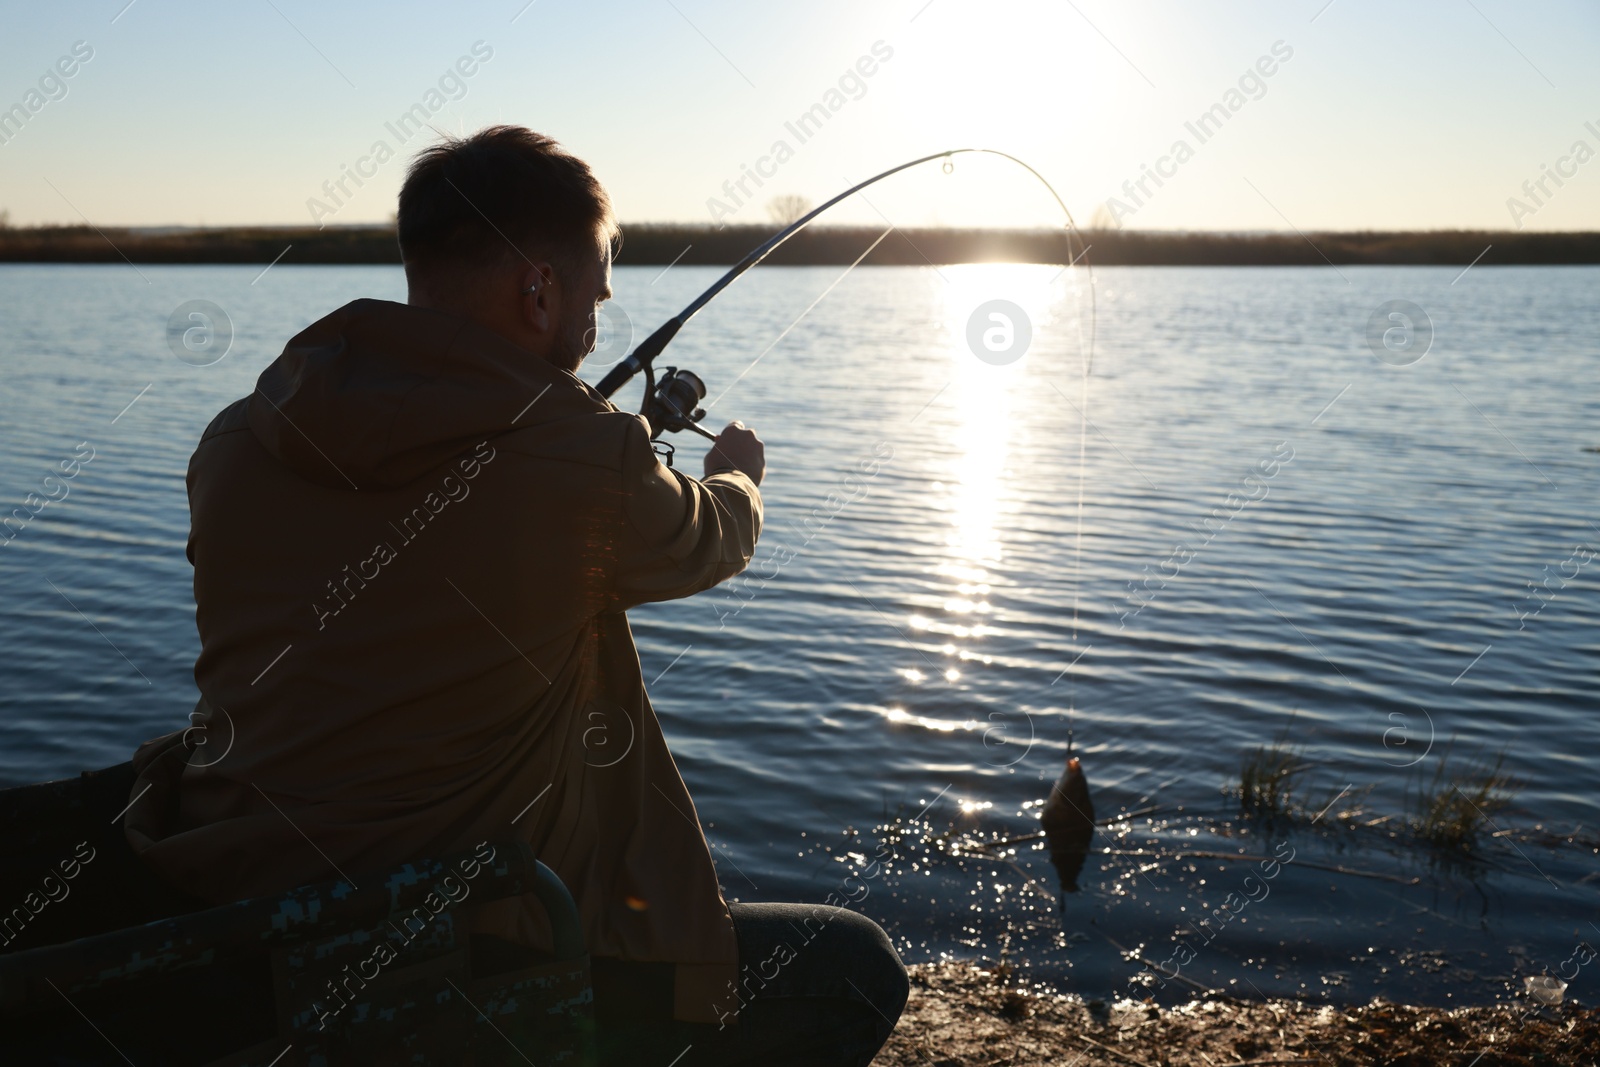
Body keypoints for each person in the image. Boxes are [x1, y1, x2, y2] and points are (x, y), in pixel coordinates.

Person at [121, 126, 907, 1063]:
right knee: (856, 966)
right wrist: (739, 475)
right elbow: (708, 538)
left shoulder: (233, 442)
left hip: (241, 898)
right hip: (453, 937)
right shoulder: (582, 457)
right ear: (538, 289)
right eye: (596, 298)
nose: (594, 329)